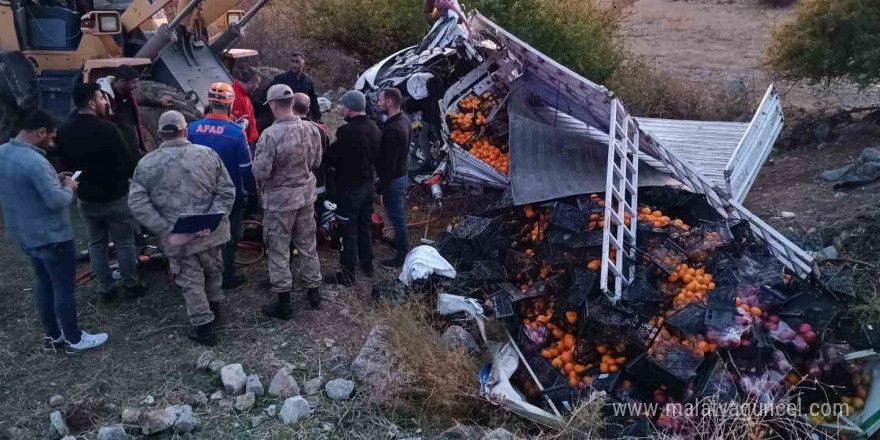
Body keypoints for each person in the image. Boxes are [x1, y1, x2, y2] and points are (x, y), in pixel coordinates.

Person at [0, 110, 109, 353]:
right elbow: (57, 201)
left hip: (25, 235)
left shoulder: (3, 153)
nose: (52, 142)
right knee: (63, 286)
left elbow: (26, 189)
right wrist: (69, 187)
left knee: (43, 283)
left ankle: (53, 336)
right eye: (50, 136)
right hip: (52, 237)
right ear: (40, 132)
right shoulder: (35, 161)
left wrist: (53, 179)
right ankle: (74, 338)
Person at [128, 110, 235, 346]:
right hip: (210, 234)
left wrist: (166, 228)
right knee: (213, 271)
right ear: (185, 130)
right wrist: (211, 220)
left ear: (159, 134)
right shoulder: (208, 155)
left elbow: (137, 202)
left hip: (178, 240)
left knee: (190, 280)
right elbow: (227, 190)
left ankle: (204, 327)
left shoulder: (146, 164)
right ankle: (217, 311)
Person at [56, 83, 144, 302]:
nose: (106, 102)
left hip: (86, 198)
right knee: (124, 242)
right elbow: (126, 161)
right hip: (115, 196)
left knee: (96, 244)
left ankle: (106, 288)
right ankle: (131, 284)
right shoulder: (107, 129)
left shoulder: (64, 130)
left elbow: (66, 165)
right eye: (102, 98)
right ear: (91, 103)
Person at [253, 85, 324, 318]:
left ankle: (284, 301)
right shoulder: (311, 129)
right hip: (305, 196)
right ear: (292, 103)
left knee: (278, 249)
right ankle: (314, 291)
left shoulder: (270, 135)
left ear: (273, 105)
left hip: (280, 201)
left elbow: (261, 171)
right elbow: (316, 162)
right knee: (307, 244)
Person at [187, 82, 257, 291]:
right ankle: (227, 276)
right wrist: (252, 190)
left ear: (210, 101)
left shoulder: (192, 128)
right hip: (229, 192)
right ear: (230, 103)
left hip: (199, 190)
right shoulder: (236, 133)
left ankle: (203, 272)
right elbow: (245, 167)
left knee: (201, 231)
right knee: (229, 233)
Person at [323, 91, 382, 286]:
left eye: (343, 106)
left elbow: (332, 157)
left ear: (350, 108)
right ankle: (367, 263)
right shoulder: (374, 128)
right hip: (368, 185)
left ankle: (347, 273)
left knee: (346, 229)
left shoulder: (346, 132)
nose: (341, 109)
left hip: (350, 188)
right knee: (364, 224)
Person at [96, 65, 173, 155]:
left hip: (134, 145)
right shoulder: (104, 99)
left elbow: (140, 98)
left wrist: (160, 102)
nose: (136, 86)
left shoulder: (129, 93)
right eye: (133, 83)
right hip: (118, 148)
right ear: (122, 82)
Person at [376, 87, 412, 268]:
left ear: (389, 102)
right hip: (402, 173)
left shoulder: (392, 130)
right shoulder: (405, 119)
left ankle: (401, 257)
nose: (377, 103)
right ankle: (398, 243)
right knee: (397, 215)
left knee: (397, 217)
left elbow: (388, 165)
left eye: (379, 100)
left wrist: (381, 188)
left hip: (394, 178)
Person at [270, 52, 322, 122]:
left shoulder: (308, 80)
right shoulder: (280, 79)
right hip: (285, 117)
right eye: (292, 61)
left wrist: (317, 117)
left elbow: (313, 100)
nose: (294, 65)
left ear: (303, 63)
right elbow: (270, 98)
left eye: (297, 62)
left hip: (303, 117)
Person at [231, 67, 261, 146]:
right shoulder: (236, 98)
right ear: (251, 83)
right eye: (257, 83)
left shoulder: (243, 94)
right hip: (243, 143)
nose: (257, 87)